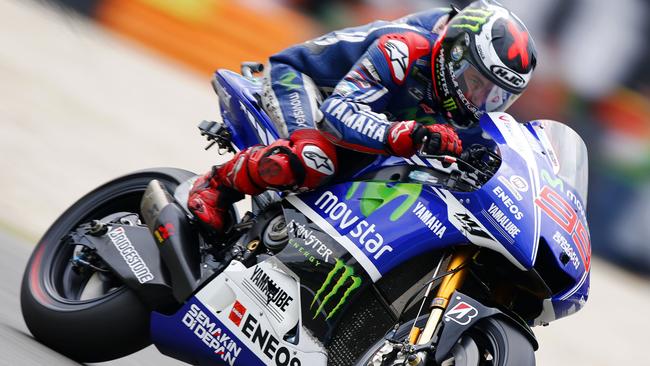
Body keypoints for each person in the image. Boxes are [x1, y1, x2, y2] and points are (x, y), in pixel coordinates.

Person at [188, 0, 537, 232]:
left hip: (372, 116)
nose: (480, 100)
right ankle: (215, 185)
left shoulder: (466, 108)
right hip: (305, 84)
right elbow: (337, 113)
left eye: (496, 96)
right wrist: (404, 135)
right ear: (456, 53)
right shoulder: (404, 48)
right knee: (315, 159)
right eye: (476, 83)